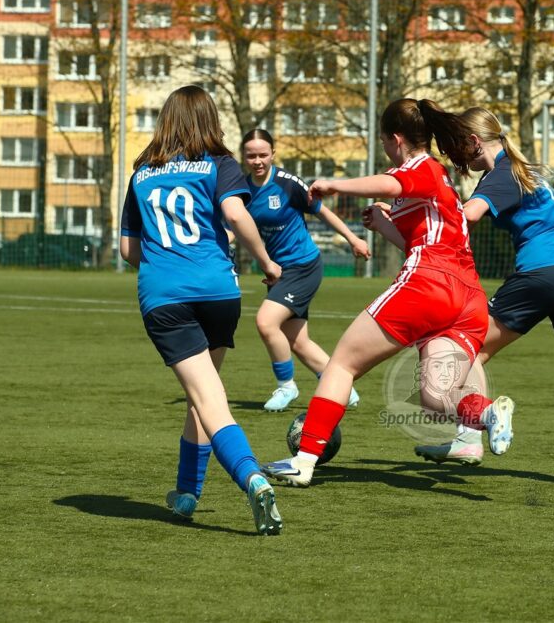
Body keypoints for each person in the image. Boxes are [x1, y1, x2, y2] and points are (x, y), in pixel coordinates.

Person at [378, 106, 554, 494]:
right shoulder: (523, 169)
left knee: (468, 347)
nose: (455, 155)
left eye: (458, 146)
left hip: (543, 273)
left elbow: (466, 217)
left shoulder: (501, 173)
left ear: (475, 142)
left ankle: (468, 438)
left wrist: (403, 217)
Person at [261, 98, 515, 488]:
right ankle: (487, 414)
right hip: (467, 297)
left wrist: (334, 184)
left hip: (431, 283)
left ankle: (304, 460)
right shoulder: (440, 181)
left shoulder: (423, 166)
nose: (385, 150)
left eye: (383, 142)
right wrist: (384, 224)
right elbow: (424, 237)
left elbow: (392, 183)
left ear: (396, 139)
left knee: (342, 365)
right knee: (435, 397)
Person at [119, 85, 283, 534]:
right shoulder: (221, 163)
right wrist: (266, 262)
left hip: (166, 297)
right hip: (219, 293)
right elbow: (235, 215)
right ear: (210, 120)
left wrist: (163, 262)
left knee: (208, 398)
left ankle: (252, 478)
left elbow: (128, 250)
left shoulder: (141, 173)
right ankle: (187, 492)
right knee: (203, 394)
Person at [237, 128, 370, 412]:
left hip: (303, 266)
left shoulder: (287, 183)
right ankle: (343, 390)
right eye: (251, 156)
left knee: (265, 322)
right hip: (279, 272)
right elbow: (235, 227)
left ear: (273, 154)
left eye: (263, 155)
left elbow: (322, 211)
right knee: (297, 340)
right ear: (243, 157)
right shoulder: (242, 190)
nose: (258, 161)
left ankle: (287, 386)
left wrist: (353, 239)